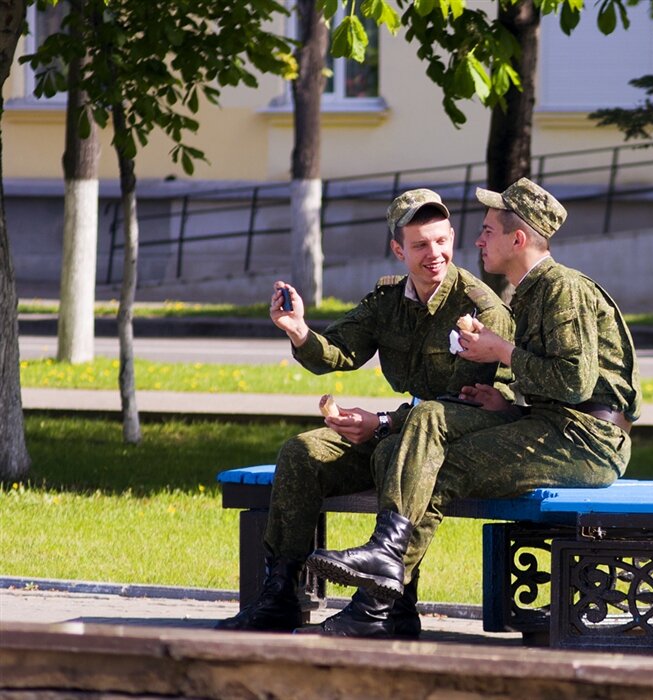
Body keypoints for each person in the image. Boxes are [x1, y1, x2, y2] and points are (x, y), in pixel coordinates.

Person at [306, 178, 642, 632]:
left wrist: (500, 350)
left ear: (517, 239)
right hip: (553, 425)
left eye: (488, 230)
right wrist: (507, 406)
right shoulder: (531, 291)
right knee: (394, 453)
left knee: (436, 460)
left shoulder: (561, 287)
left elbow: (573, 381)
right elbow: (554, 382)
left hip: (588, 441)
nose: (478, 240)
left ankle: (378, 599)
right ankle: (391, 603)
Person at [216, 188, 515, 636]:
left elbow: (464, 404)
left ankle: (384, 608)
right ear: (398, 249)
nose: (434, 254)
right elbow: (337, 351)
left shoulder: (478, 306)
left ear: (452, 237)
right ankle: (279, 594)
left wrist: (381, 423)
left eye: (440, 241)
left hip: (455, 441)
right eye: (419, 245)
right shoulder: (387, 300)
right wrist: (298, 330)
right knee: (303, 452)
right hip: (401, 429)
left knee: (394, 451)